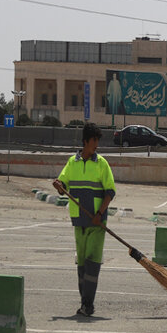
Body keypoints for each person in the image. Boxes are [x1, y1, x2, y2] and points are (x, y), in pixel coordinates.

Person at [53, 122, 116, 317]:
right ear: (85, 141)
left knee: (92, 263)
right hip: (79, 221)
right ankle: (84, 304)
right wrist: (59, 185)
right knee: (81, 264)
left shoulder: (102, 164)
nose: (96, 144)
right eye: (94, 140)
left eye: (98, 140)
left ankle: (88, 304)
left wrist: (99, 214)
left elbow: (110, 192)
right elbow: (63, 183)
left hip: (96, 223)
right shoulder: (72, 162)